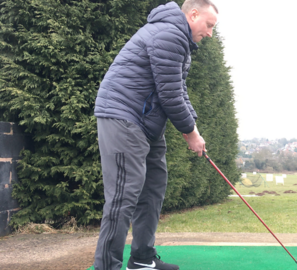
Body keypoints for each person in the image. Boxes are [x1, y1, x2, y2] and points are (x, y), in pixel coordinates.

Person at [92, 1, 218, 269]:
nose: (209, 33)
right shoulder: (169, 34)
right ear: (193, 14)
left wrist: (192, 129)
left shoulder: (178, 39)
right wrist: (189, 133)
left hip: (146, 122)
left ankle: (142, 259)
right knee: (123, 196)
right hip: (123, 116)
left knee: (153, 186)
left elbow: (178, 88)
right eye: (208, 26)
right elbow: (170, 95)